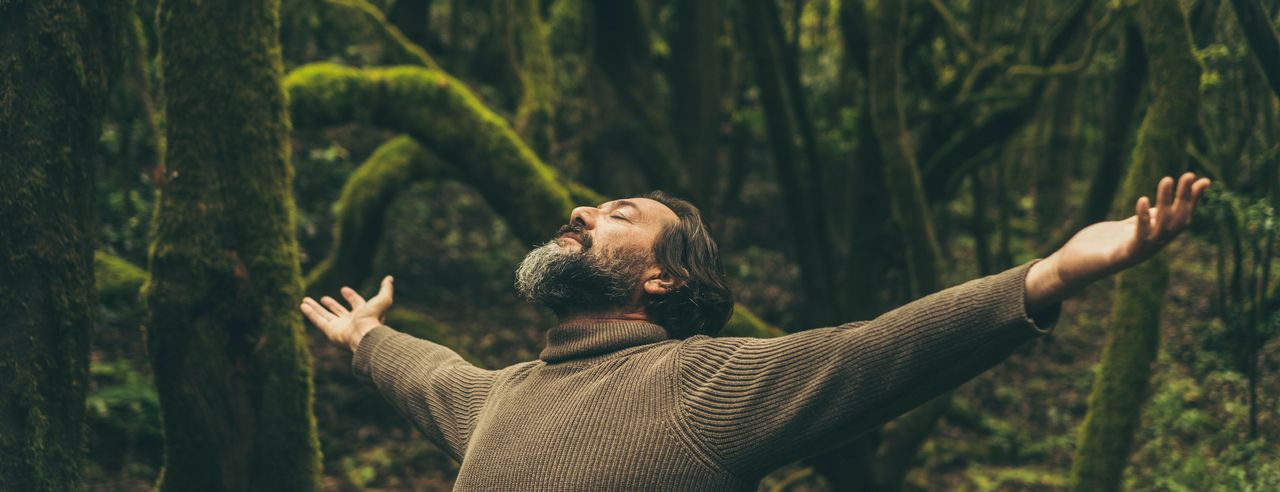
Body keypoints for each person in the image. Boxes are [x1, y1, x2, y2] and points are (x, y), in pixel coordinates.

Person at [301, 173, 1211, 491]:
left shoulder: (708, 385)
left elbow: (883, 348)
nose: (577, 209)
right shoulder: (497, 398)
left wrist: (1048, 274)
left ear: (661, 277)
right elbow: (426, 372)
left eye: (615, 213)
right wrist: (366, 340)